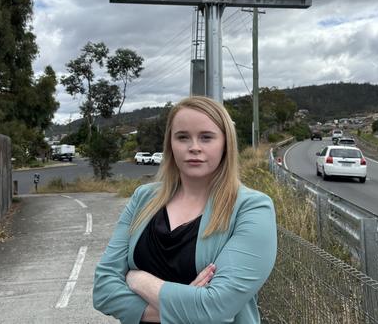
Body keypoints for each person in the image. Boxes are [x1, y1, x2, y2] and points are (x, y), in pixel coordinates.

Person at [93, 96, 277, 323]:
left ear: (225, 144)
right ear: (170, 144)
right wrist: (189, 307)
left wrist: (139, 280)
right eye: (182, 137)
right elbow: (103, 290)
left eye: (206, 137)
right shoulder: (143, 198)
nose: (194, 148)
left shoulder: (252, 208)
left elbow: (215, 307)